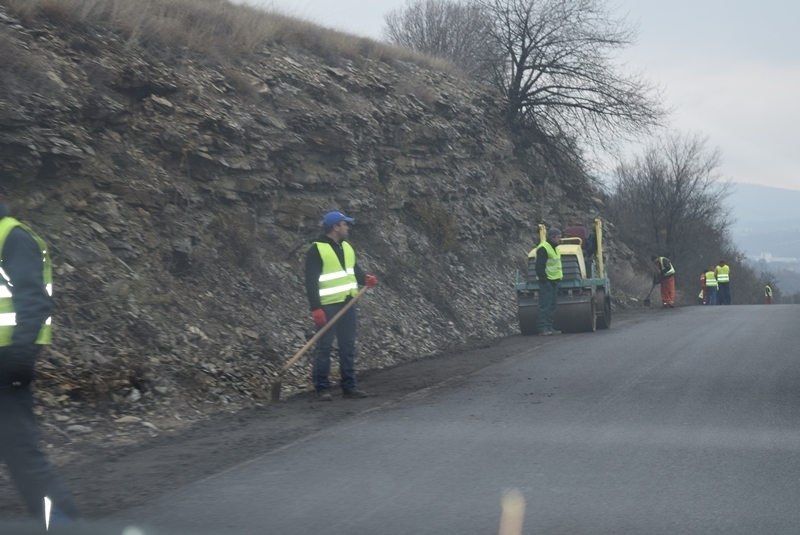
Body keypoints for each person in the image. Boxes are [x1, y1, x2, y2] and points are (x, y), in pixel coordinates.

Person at [0, 197, 80, 524]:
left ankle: (62, 524)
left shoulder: (13, 236)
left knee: (20, 452)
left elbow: (34, 302)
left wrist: (20, 359)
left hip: (5, 365)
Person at [305, 211, 377, 401]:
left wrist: (365, 278)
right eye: (345, 224)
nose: (348, 227)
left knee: (347, 345)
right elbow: (310, 281)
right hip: (327, 306)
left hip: (348, 303)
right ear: (336, 226)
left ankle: (349, 386)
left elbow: (353, 270)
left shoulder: (347, 247)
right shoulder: (316, 249)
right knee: (324, 347)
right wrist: (316, 308)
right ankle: (322, 388)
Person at [535, 228, 563, 335]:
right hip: (546, 282)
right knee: (545, 305)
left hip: (554, 281)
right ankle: (543, 328)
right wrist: (544, 280)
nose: (560, 239)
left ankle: (549, 327)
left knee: (552, 306)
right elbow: (539, 266)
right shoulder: (543, 248)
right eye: (559, 237)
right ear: (552, 238)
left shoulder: (555, 248)